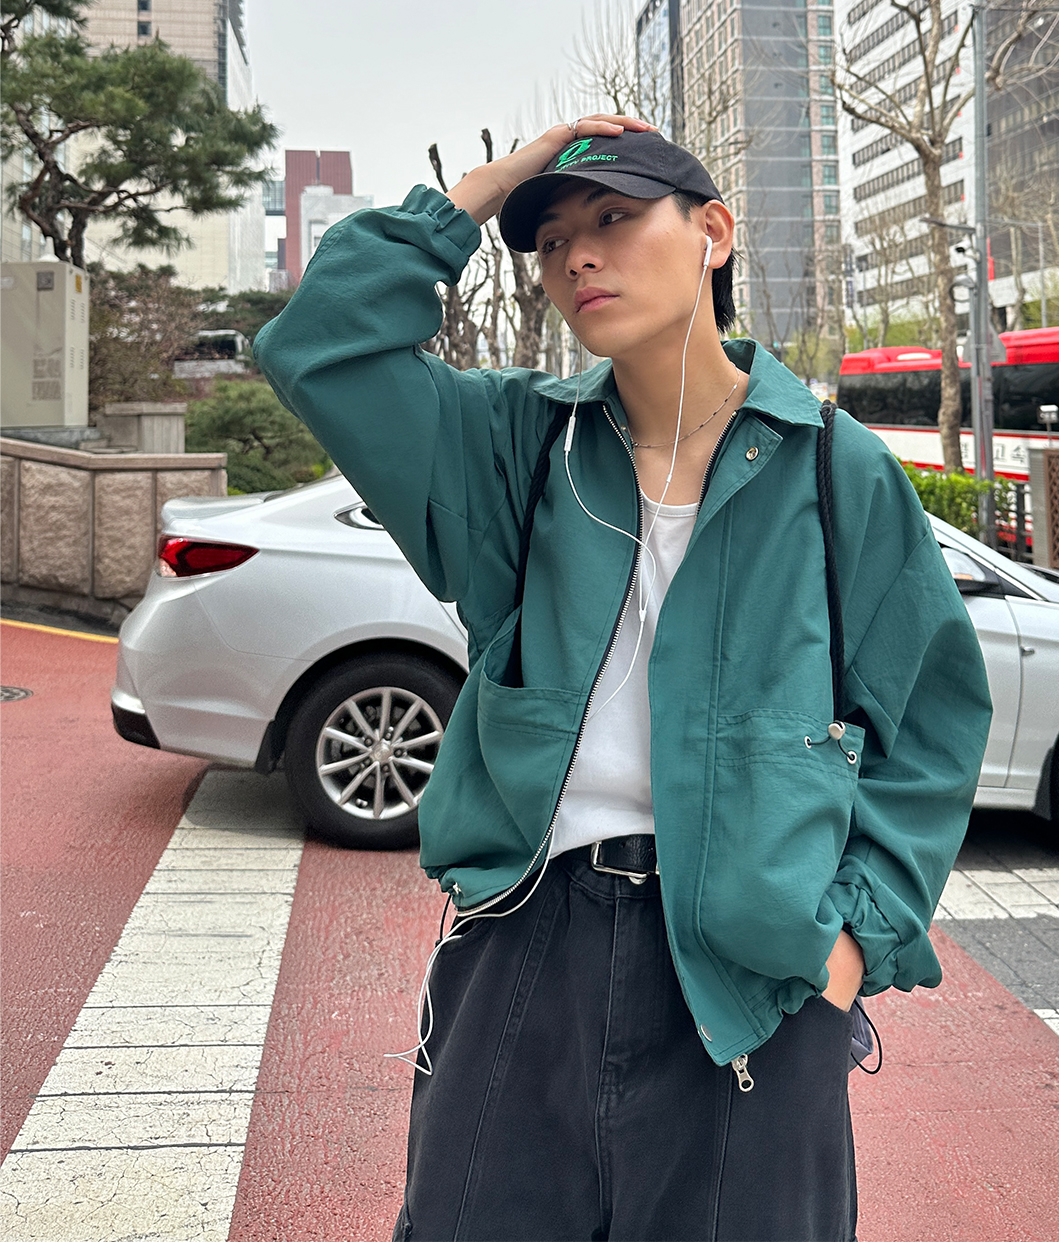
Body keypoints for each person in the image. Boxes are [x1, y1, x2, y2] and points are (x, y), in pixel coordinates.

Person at [254, 114, 992, 1242]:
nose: (578, 257)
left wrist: (852, 942)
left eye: (613, 218)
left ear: (712, 233)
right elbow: (318, 346)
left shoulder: (833, 467)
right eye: (551, 241)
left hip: (755, 969)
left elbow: (931, 723)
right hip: (526, 937)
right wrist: (494, 183)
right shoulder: (517, 447)